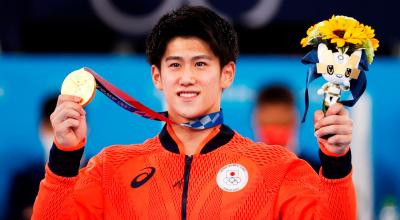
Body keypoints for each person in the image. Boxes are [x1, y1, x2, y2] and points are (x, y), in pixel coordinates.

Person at [32, 6, 356, 219]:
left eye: (200, 64)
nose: (187, 77)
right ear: (157, 77)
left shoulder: (276, 170)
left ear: (227, 74)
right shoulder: (110, 170)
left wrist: (337, 165)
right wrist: (63, 158)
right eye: (175, 65)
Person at [253, 84, 320, 172]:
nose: (276, 131)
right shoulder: (240, 169)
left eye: (282, 123)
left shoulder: (317, 170)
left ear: (296, 120)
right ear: (255, 120)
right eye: (268, 123)